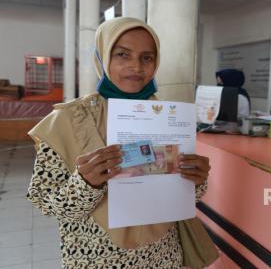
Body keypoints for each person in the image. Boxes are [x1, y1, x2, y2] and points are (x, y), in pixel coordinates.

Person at [26, 17, 217, 268]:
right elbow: (47, 203)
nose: (136, 66)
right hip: (97, 258)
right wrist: (85, 184)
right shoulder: (68, 121)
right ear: (103, 56)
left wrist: (197, 181)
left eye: (146, 57)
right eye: (122, 55)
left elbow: (179, 197)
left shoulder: (167, 118)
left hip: (163, 255)